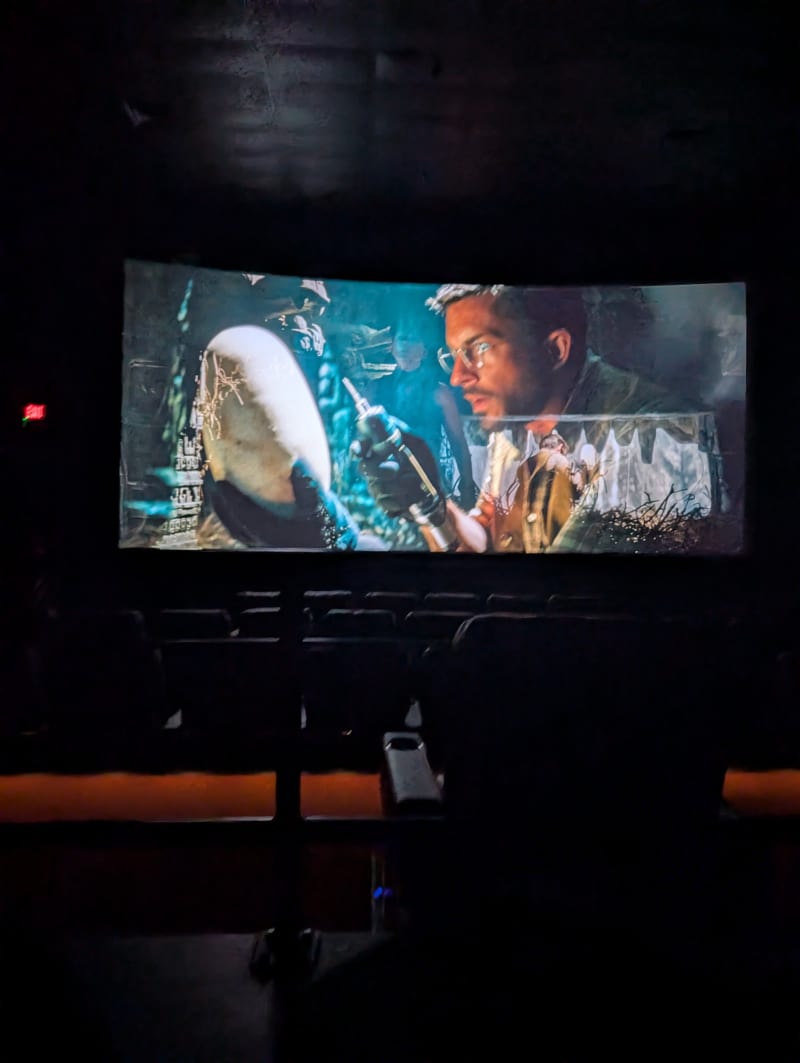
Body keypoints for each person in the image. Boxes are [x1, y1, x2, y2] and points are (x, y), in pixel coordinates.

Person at [356, 283, 722, 552]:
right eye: (454, 355)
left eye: (480, 348)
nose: (458, 377)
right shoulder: (517, 424)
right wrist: (431, 504)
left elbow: (559, 598)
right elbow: (485, 540)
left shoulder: (652, 437)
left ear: (555, 349)